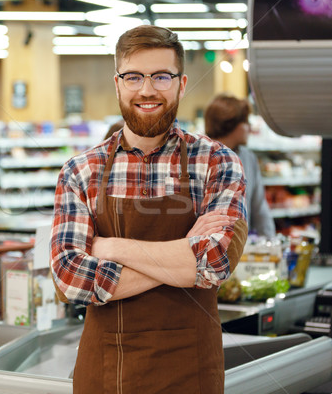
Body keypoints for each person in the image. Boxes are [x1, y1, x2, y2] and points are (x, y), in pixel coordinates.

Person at [50, 25, 248, 393]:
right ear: (117, 84)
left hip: (192, 370)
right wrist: (186, 254)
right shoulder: (81, 171)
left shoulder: (218, 162)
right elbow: (69, 279)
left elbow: (215, 263)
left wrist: (110, 248)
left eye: (161, 76)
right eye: (134, 77)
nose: (147, 90)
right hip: (106, 371)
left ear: (181, 83)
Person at [204, 93, 276, 238]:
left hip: (240, 249)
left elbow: (259, 208)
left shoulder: (248, 158)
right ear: (230, 124)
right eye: (245, 122)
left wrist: (270, 243)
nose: (250, 128)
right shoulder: (198, 156)